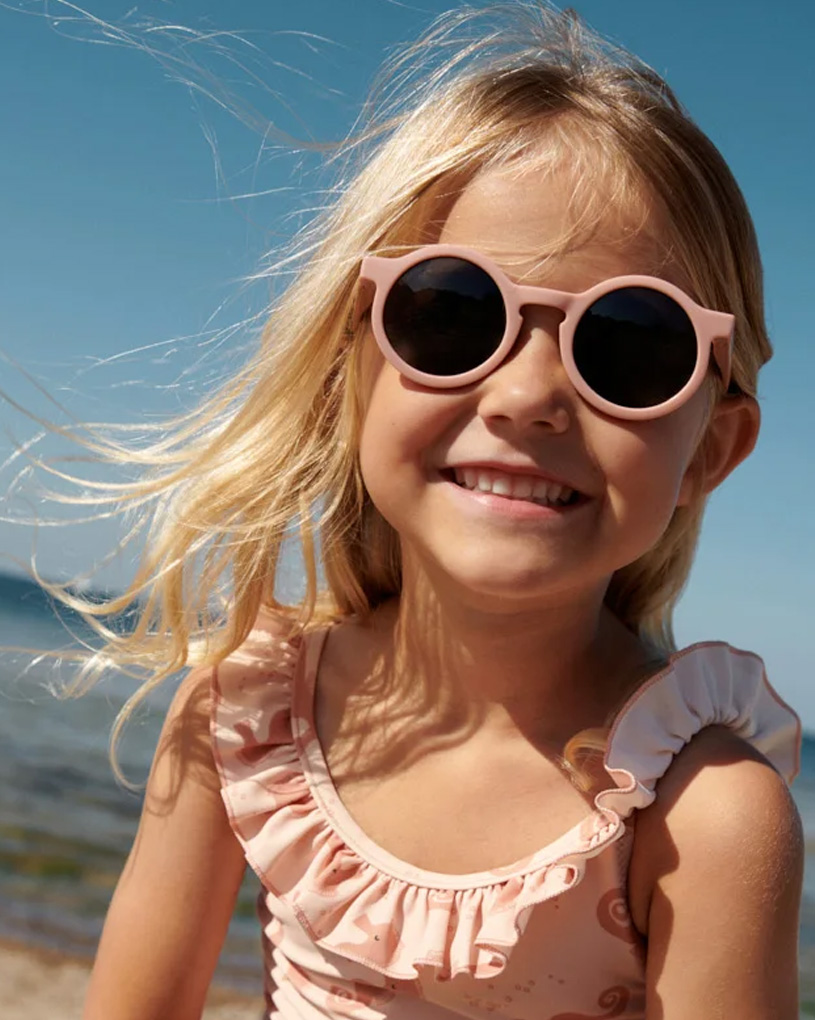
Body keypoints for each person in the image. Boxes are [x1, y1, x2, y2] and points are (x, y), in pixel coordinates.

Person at [74, 3, 802, 1017]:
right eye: (453, 313)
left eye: (629, 346)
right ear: (351, 370)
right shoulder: (248, 718)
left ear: (708, 452)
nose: (525, 396)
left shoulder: (702, 816)